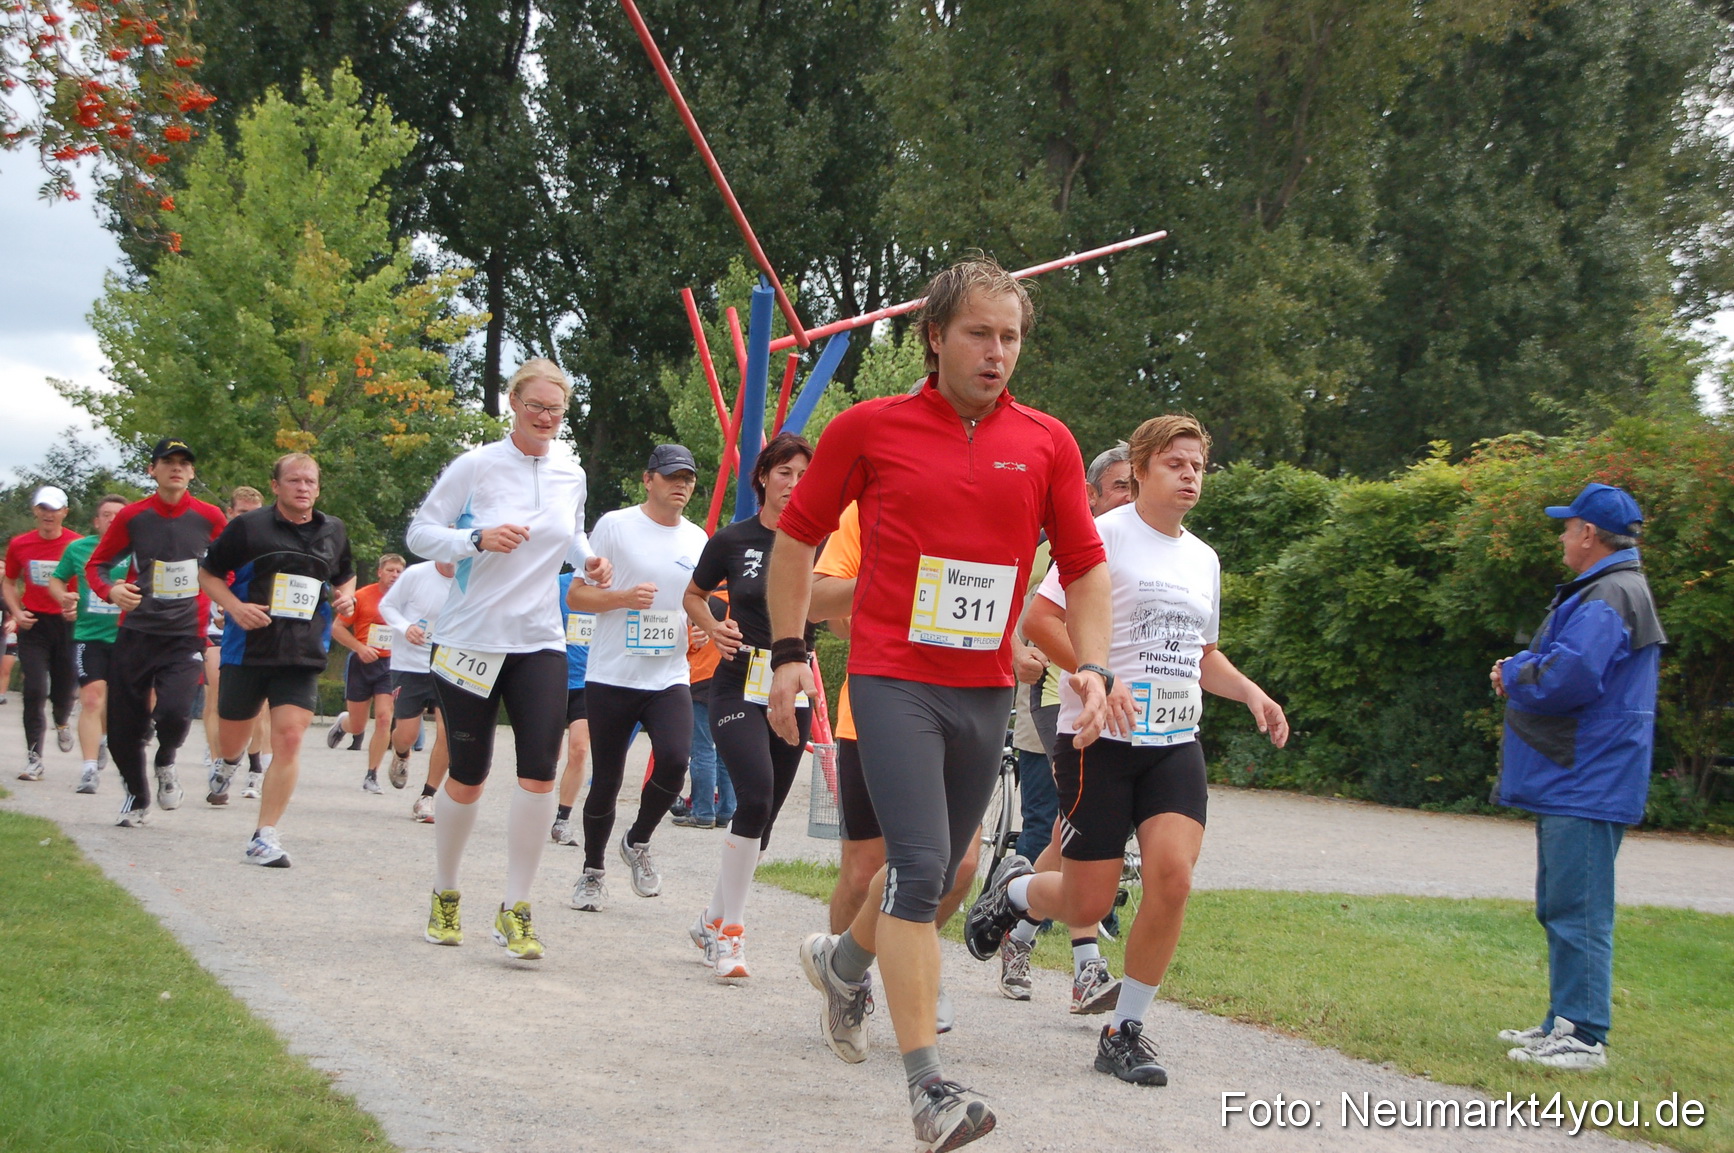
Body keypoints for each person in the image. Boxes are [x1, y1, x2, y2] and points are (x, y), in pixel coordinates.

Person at [766, 256, 1118, 1152]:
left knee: (942, 871)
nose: (997, 352)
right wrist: (789, 655)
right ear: (934, 335)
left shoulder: (1047, 442)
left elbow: (1084, 567)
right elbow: (796, 541)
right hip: (891, 678)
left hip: (984, 689)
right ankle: (929, 1089)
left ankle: (842, 963)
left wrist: (1094, 665)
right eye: (979, 334)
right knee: (921, 870)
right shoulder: (868, 428)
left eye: (1011, 337)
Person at [968, 414, 1288, 1088]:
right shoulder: (1101, 536)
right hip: (1099, 739)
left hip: (1173, 741)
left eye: (1198, 465)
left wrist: (1251, 692)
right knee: (1088, 901)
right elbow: (1039, 620)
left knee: (1173, 878)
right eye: (1175, 463)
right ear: (1139, 469)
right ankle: (1015, 891)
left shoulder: (1204, 558)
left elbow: (1201, 654)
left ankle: (1124, 1030)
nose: (1190, 475)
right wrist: (1095, 674)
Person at [405, 358, 610, 960]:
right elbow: (420, 533)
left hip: (539, 640)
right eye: (536, 406)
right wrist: (475, 539)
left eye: (556, 409)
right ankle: (445, 892)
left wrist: (589, 559)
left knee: (541, 772)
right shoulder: (476, 465)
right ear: (514, 404)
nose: (546, 417)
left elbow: (571, 536)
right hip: (469, 640)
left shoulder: (571, 472)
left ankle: (516, 907)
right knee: (468, 775)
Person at [1491, 482, 1664, 1071]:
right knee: (1561, 903)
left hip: (1587, 777)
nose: (1562, 537)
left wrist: (1513, 671)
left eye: (1567, 528)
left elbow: (1571, 677)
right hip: (1582, 776)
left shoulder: (1609, 593)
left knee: (1578, 910)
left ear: (1589, 534)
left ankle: (1584, 1037)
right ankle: (1561, 1021)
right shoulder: (1610, 588)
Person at [808, 500, 980, 1033]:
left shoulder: (986, 503)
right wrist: (893, 582)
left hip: (965, 703)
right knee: (865, 871)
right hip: (879, 705)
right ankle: (848, 984)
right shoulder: (870, 508)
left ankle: (916, 959)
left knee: (958, 866)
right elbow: (823, 606)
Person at [999, 439, 1135, 1006]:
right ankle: (1086, 966)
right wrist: (1017, 651)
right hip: (1060, 696)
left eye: (1136, 484)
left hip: (1122, 705)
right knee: (1078, 824)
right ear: (1091, 494)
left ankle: (1016, 927)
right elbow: (1012, 603)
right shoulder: (1057, 546)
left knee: (1070, 831)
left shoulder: (1149, 547)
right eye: (1121, 485)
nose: (1130, 495)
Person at [682, 433, 814, 979]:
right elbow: (693, 594)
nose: (793, 485)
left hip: (794, 688)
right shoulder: (734, 539)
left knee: (765, 817)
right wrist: (713, 627)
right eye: (784, 473)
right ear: (762, 476)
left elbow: (836, 611)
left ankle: (712, 918)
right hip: (737, 683)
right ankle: (731, 935)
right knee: (754, 796)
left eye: (803, 476)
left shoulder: (820, 544)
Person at [567, 443, 708, 911]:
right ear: (648, 480)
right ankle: (592, 872)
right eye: (672, 477)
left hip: (668, 674)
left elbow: (694, 602)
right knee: (607, 778)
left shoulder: (698, 538)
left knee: (675, 760)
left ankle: (638, 840)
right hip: (613, 674)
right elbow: (577, 597)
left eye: (688, 478)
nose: (681, 485)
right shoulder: (615, 525)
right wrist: (623, 598)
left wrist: (700, 629)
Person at [198, 453, 355, 867]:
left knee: (289, 737)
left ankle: (263, 836)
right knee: (234, 739)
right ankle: (228, 763)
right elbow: (209, 574)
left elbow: (344, 576)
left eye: (310, 481)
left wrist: (347, 597)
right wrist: (235, 607)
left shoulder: (334, 530)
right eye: (294, 480)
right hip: (248, 649)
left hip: (302, 651)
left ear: (318, 487)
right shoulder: (248, 527)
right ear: (275, 486)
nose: (303, 488)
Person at [85, 439, 228, 825]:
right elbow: (97, 565)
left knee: (176, 712)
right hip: (137, 631)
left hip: (185, 634)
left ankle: (165, 761)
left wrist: (225, 602)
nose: (176, 468)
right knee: (124, 727)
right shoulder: (134, 516)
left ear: (192, 472)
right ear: (152, 470)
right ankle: (137, 797)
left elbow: (230, 565)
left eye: (184, 463)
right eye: (168, 462)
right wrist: (111, 591)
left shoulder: (209, 516)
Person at [48, 494, 130, 793]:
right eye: (106, 515)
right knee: (92, 699)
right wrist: (63, 597)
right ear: (96, 521)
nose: (112, 519)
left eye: (118, 515)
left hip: (128, 636)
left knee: (117, 703)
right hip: (89, 635)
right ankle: (89, 770)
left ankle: (104, 739)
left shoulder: (141, 550)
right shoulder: (79, 549)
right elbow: (57, 579)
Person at [5, 485, 82, 780]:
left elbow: (92, 581)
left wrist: (78, 608)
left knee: (64, 690)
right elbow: (9, 582)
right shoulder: (20, 544)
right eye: (43, 508)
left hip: (67, 623)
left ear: (65, 512)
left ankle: (62, 721)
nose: (48, 515)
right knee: (35, 689)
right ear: (35, 511)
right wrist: (16, 611)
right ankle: (34, 758)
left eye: (54, 509)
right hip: (34, 624)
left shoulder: (77, 544)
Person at [201, 486, 271, 798]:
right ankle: (221, 765)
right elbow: (204, 581)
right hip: (214, 632)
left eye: (255, 513)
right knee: (217, 696)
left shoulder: (266, 548)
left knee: (259, 706)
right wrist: (219, 609)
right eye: (242, 513)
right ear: (230, 513)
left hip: (251, 632)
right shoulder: (215, 546)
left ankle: (255, 767)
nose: (249, 519)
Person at [377, 557, 456, 823]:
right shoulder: (416, 574)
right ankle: (401, 754)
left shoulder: (471, 577)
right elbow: (387, 605)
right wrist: (405, 627)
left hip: (449, 665)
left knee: (447, 733)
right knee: (407, 735)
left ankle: (427, 796)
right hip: (410, 664)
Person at [326, 554, 408, 793]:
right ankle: (344, 724)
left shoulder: (408, 600)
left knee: (384, 719)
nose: (395, 575)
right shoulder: (362, 596)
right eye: (390, 570)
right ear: (379, 572)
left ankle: (372, 775)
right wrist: (360, 648)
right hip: (362, 663)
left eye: (399, 571)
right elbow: (337, 628)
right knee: (358, 724)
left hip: (390, 665)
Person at [672, 587, 735, 829]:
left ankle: (703, 811)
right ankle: (727, 810)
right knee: (725, 751)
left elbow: (690, 644)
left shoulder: (706, 604)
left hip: (702, 679)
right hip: (732, 681)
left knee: (702, 750)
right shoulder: (740, 601)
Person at [549, 571, 594, 845]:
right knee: (547, 754)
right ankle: (536, 806)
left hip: (588, 682)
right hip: (553, 678)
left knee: (579, 749)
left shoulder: (616, 589)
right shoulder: (557, 584)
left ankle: (562, 819)